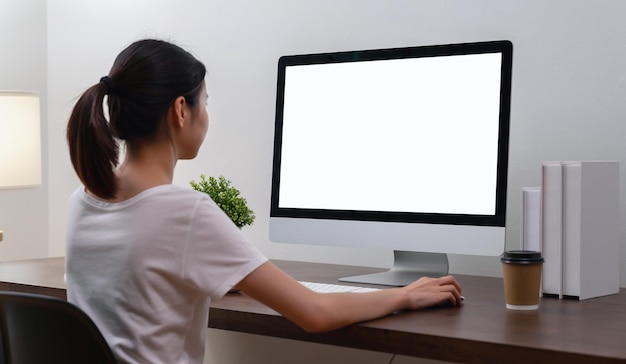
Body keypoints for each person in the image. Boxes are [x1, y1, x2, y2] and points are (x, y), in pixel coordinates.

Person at [65, 39, 463, 364]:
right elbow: (315, 313)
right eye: (205, 101)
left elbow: (143, 288)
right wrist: (408, 294)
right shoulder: (185, 213)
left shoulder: (81, 203)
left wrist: (230, 272)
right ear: (181, 111)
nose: (207, 115)